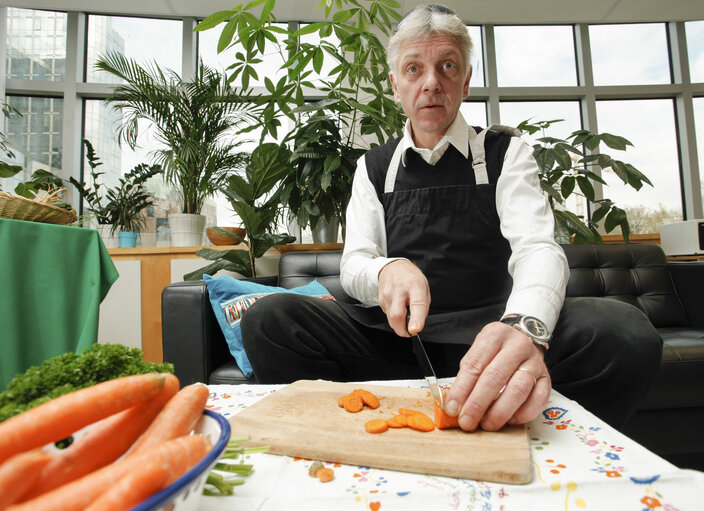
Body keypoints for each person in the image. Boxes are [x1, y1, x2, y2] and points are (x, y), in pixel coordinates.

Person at [241, 4, 662, 431]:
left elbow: (538, 248)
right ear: (395, 85)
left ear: (465, 80)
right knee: (268, 319)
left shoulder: (505, 153)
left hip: (493, 336)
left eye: (447, 66)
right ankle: (342, 439)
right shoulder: (372, 167)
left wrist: (523, 329)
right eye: (413, 69)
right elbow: (353, 265)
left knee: (626, 332)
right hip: (395, 345)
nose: (431, 84)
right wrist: (386, 270)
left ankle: (547, 438)